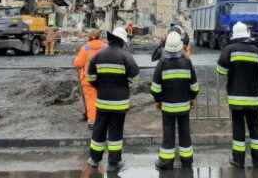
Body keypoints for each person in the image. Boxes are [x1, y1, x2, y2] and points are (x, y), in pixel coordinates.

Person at [86, 26, 139, 173]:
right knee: (115, 131)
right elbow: (135, 74)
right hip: (119, 103)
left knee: (99, 129)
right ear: (122, 41)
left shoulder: (98, 55)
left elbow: (90, 77)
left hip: (102, 101)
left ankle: (94, 159)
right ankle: (114, 162)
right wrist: (125, 82)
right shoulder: (126, 56)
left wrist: (100, 87)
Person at [216, 21, 258, 168]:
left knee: (238, 128)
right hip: (252, 97)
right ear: (246, 34)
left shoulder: (229, 50)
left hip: (236, 98)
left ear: (234, 35)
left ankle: (238, 160)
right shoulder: (256, 50)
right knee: (254, 127)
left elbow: (221, 71)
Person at [151, 31, 199, 170]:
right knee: (185, 132)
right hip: (184, 106)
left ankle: (166, 162)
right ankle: (187, 160)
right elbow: (194, 86)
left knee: (168, 133)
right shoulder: (187, 62)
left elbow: (155, 88)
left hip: (168, 107)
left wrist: (158, 101)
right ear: (180, 46)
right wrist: (192, 98)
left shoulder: (162, 63)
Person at [73, 29, 105, 129]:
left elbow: (78, 64)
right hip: (104, 79)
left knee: (91, 101)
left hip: (88, 81)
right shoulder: (105, 47)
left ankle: (92, 121)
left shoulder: (85, 48)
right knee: (103, 101)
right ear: (100, 37)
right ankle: (103, 121)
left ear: (89, 37)